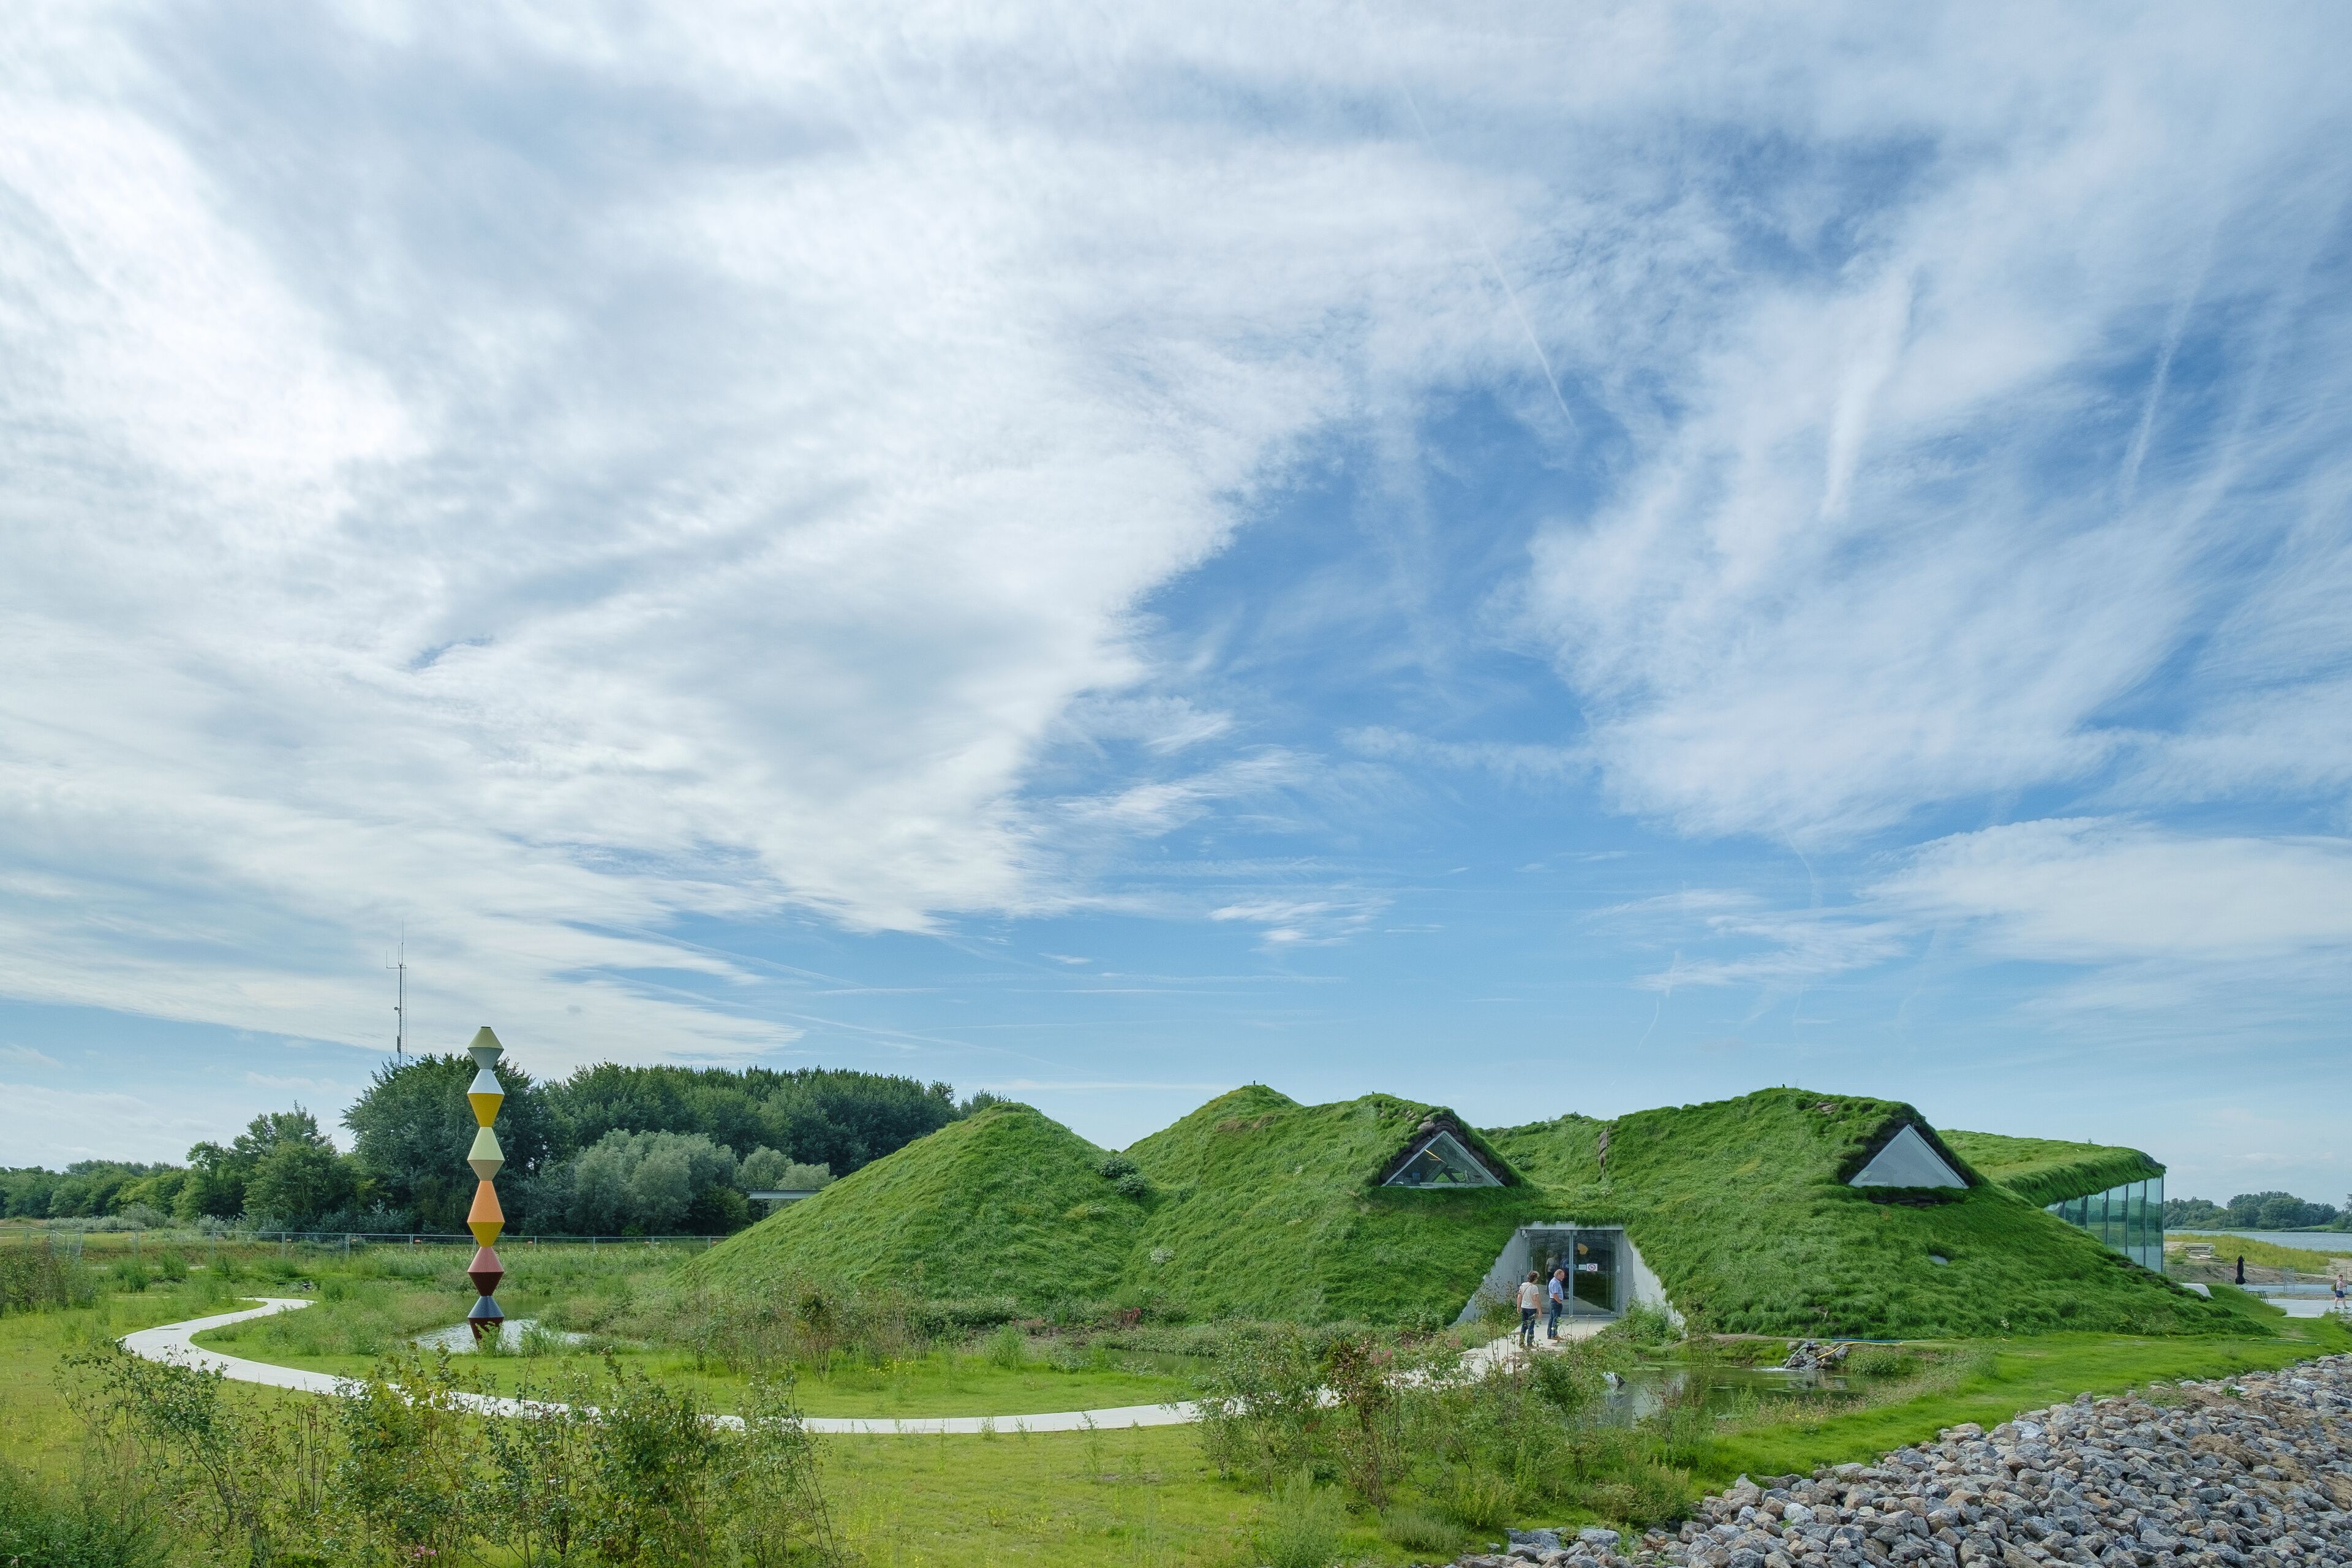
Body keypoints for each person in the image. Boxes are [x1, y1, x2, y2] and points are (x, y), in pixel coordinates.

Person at [1517, 1270, 1542, 1347]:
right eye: (1537, 1278)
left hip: (1524, 1307)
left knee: (1524, 1325)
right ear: (1535, 1279)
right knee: (1531, 1326)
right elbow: (1535, 1299)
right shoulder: (1534, 1288)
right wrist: (1539, 1310)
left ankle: (1521, 1342)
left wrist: (1518, 1306)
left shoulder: (1523, 1285)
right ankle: (1530, 1343)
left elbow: (1519, 1297)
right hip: (1532, 1308)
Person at [1547, 1266, 1569, 1340]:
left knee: (1552, 1318)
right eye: (1562, 1276)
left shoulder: (1555, 1282)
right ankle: (1554, 1334)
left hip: (1554, 1301)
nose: (1563, 1277)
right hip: (1555, 1302)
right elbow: (1555, 1294)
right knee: (1556, 1319)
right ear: (1558, 1275)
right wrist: (1559, 1302)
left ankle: (1550, 1334)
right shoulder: (1555, 1283)